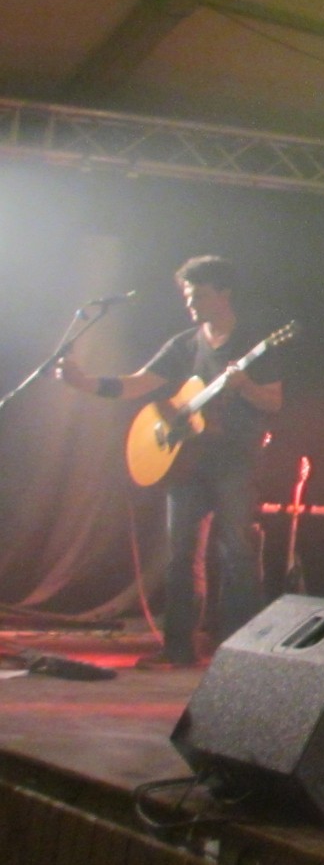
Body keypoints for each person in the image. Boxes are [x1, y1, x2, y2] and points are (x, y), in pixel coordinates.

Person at [55, 256, 284, 668]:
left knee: (237, 552)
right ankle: (178, 649)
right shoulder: (184, 344)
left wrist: (246, 384)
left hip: (235, 461)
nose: (190, 304)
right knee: (180, 557)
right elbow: (138, 384)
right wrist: (87, 383)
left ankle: (243, 656)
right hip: (187, 463)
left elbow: (274, 401)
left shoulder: (255, 343)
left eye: (199, 295)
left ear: (224, 293)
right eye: (187, 296)